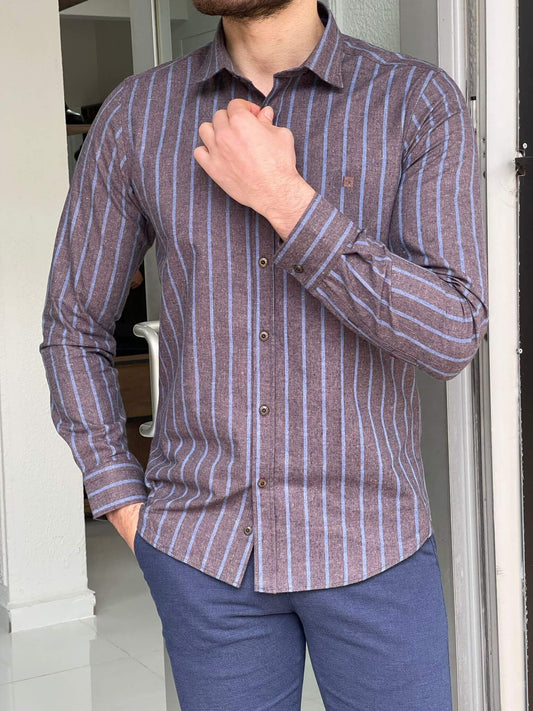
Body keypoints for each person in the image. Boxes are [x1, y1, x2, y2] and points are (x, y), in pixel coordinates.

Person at [39, 0, 488, 708]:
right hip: (203, 555)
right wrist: (119, 497)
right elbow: (73, 322)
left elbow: (451, 333)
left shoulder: (415, 100)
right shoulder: (137, 113)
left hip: (375, 547)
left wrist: (287, 201)